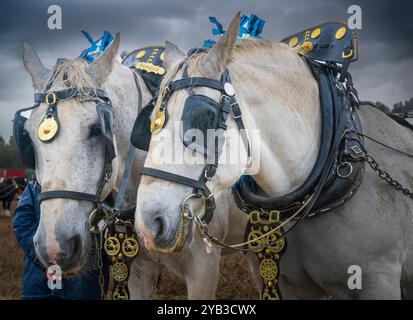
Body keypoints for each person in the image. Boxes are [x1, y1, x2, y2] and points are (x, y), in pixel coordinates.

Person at [13, 180, 107, 300]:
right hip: (43, 285)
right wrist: (45, 259)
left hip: (83, 286)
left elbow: (105, 223)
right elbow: (22, 223)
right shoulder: (35, 185)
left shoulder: (94, 182)